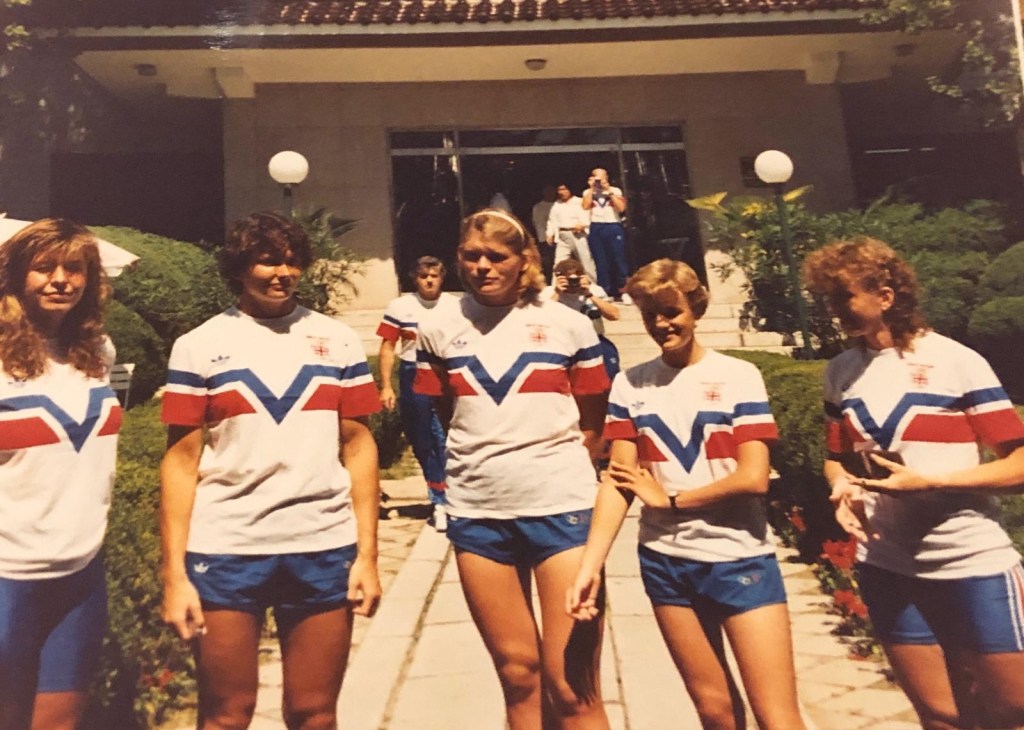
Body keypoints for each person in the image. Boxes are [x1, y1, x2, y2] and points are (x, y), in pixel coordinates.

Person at [160, 212, 382, 730]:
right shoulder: (199, 344)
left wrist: (367, 555)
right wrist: (174, 574)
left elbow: (359, 445)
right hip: (227, 549)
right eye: (266, 260)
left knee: (315, 714)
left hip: (322, 546)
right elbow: (181, 460)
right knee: (226, 714)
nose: (280, 272)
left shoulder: (338, 340)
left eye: (290, 261)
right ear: (240, 267)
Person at [568, 259, 806, 730]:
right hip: (666, 563)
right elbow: (621, 480)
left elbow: (753, 477)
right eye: (650, 314)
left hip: (739, 559)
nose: (661, 324)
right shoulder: (631, 383)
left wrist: (673, 502)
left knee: (777, 717)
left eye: (671, 311)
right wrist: (590, 566)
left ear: (696, 308)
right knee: (715, 712)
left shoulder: (738, 376)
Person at [803, 238, 1024, 730]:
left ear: (885, 295)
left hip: (972, 561)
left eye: (844, 298)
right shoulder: (841, 372)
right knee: (940, 717)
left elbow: (1019, 463)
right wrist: (841, 487)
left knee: (1010, 711)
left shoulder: (956, 361)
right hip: (887, 564)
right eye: (828, 300)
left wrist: (935, 481)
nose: (835, 311)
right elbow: (837, 459)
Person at [414, 209, 611, 730]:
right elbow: (444, 414)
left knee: (573, 687)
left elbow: (595, 422)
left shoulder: (569, 324)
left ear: (525, 261)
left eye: (496, 257)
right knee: (518, 675)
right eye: (471, 256)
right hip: (479, 518)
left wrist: (551, 470)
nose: (482, 266)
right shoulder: (435, 329)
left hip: (562, 515)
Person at [0, 219, 121, 730]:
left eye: (74, 268)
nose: (60, 280)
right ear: (13, 277)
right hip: (7, 576)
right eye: (43, 267)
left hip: (80, 575)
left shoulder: (98, 354)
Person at [377, 255, 457, 531]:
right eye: (424, 276)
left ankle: (452, 497)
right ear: (415, 278)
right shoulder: (400, 306)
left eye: (434, 275)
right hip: (413, 373)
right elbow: (388, 346)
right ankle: (438, 499)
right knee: (422, 437)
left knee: (445, 436)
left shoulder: (455, 305)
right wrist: (386, 385)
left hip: (445, 373)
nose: (430, 280)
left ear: (442, 277)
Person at [544, 257, 621, 380]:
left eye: (576, 278)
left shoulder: (594, 290)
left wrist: (589, 295)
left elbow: (614, 315)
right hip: (563, 343)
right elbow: (539, 317)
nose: (573, 283)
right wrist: (557, 294)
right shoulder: (547, 294)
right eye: (569, 278)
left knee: (608, 377)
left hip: (595, 340)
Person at [581, 169, 628, 301]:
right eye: (596, 178)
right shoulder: (587, 192)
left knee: (618, 258)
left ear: (606, 177)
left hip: (613, 225)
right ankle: (605, 290)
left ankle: (623, 290)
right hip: (597, 226)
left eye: (601, 178)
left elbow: (621, 208)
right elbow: (585, 206)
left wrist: (609, 191)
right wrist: (591, 189)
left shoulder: (616, 190)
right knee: (601, 260)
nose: (599, 181)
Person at [545, 182, 597, 285]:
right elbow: (552, 221)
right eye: (560, 190)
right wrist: (549, 233)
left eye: (564, 189)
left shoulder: (578, 201)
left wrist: (583, 225)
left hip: (577, 233)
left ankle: (593, 285)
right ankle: (556, 286)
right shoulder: (557, 204)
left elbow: (586, 215)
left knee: (585, 261)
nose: (562, 192)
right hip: (562, 235)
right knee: (559, 262)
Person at [531, 184, 557, 282]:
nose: (550, 194)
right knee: (546, 262)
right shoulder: (538, 207)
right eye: (547, 192)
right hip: (543, 239)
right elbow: (537, 223)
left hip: (558, 238)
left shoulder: (557, 205)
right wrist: (542, 238)